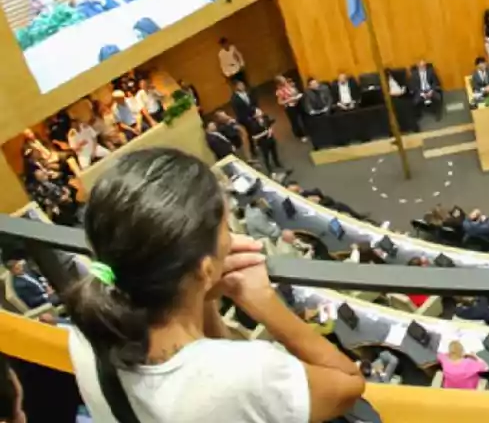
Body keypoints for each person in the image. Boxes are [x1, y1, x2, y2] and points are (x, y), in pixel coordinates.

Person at [64, 148, 365, 421]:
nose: (232, 239)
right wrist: (265, 302)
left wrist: (201, 293)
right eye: (226, 230)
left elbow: (209, 354)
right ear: (205, 268)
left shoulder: (86, 330)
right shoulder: (247, 375)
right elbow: (350, 384)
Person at [246, 108, 281, 173]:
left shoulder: (265, 117)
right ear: (254, 116)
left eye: (259, 110)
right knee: (266, 156)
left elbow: (269, 124)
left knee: (274, 152)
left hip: (271, 139)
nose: (260, 111)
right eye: (258, 112)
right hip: (263, 143)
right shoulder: (253, 125)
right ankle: (269, 168)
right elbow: (254, 137)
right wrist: (265, 133)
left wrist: (270, 129)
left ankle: (277, 163)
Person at [274, 75, 305, 140]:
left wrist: (297, 94)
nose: (285, 82)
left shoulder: (289, 85)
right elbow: (280, 102)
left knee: (303, 116)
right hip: (290, 107)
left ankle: (306, 130)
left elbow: (296, 91)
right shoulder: (279, 92)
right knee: (295, 121)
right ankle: (300, 135)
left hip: (298, 102)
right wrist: (289, 100)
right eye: (283, 81)